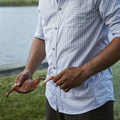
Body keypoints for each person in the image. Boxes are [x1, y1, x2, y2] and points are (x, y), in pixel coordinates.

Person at [13, 0, 120, 120]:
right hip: (53, 101)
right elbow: (41, 36)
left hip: (90, 103)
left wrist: (83, 72)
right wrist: (29, 70)